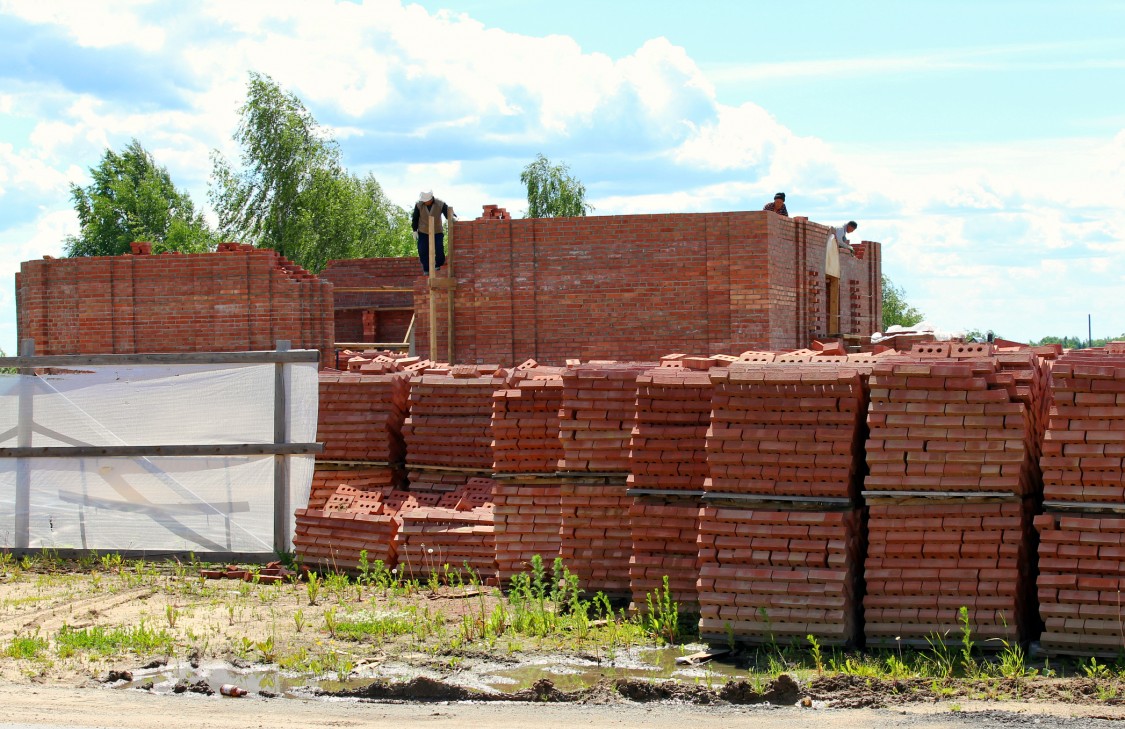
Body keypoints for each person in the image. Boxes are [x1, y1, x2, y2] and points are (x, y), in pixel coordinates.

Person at [411, 191, 454, 274]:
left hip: (437, 231)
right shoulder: (419, 205)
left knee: (439, 249)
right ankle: (427, 269)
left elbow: (448, 213)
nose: (424, 202)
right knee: (422, 250)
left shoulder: (440, 204)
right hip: (423, 231)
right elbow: (415, 218)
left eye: (426, 200)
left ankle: (439, 266)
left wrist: (453, 219)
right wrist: (414, 230)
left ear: (431, 199)